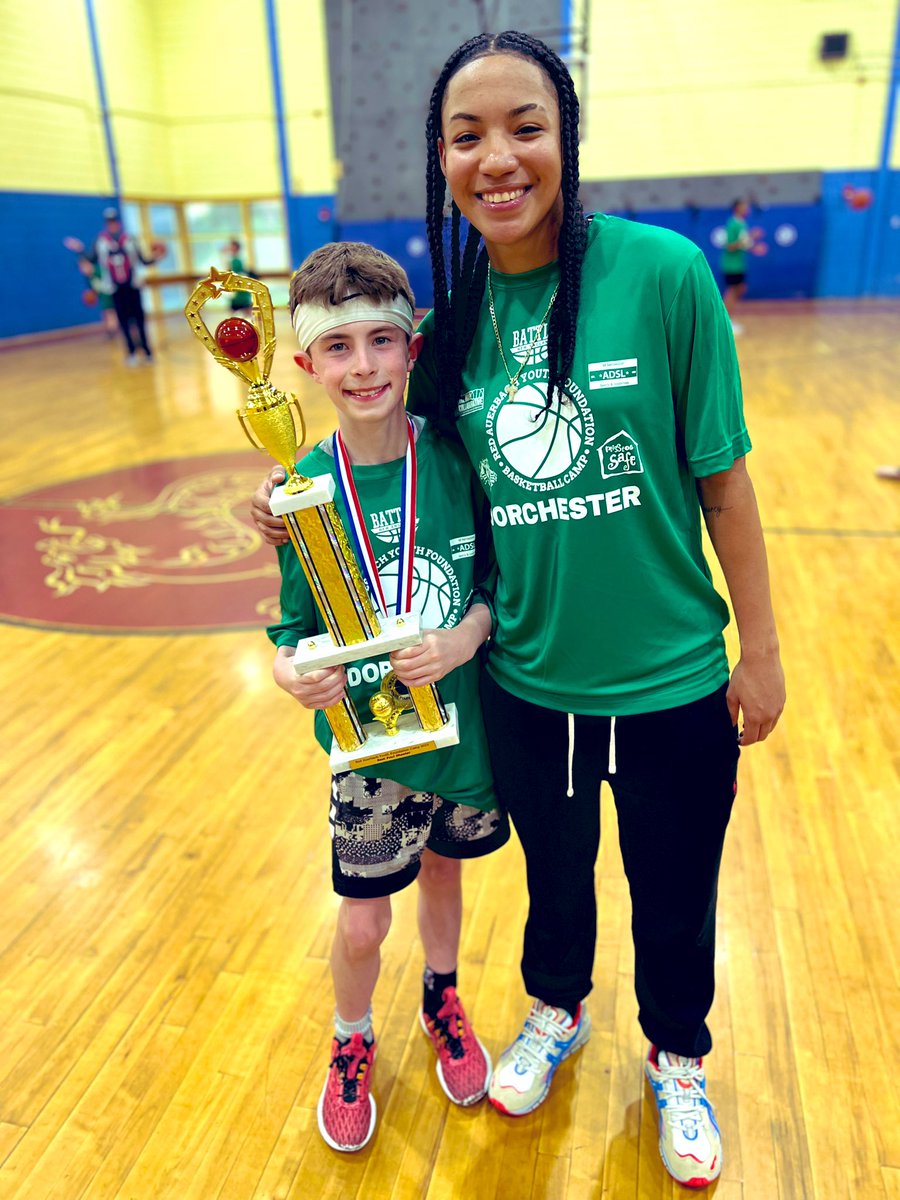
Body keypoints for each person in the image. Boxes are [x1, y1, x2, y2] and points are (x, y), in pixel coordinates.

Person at [253, 32, 785, 1189]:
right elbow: (387, 456)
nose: (497, 157)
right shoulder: (450, 333)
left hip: (674, 676)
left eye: (524, 127)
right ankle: (556, 1010)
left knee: (677, 883)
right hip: (529, 684)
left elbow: (726, 480)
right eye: (466, 135)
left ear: (566, 138)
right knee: (556, 882)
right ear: (441, 159)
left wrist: (764, 649)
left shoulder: (664, 275)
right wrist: (283, 499)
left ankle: (678, 1054)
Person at [266, 241, 509, 1154]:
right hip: (370, 752)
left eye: (381, 342)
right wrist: (292, 676)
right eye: (339, 348)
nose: (362, 366)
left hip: (462, 733)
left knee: (445, 875)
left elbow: (493, 574)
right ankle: (350, 1035)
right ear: (306, 364)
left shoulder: (454, 455)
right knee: (364, 920)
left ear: (413, 348)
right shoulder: (302, 492)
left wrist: (466, 637)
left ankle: (442, 997)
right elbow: (290, 629)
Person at [64, 207, 161, 364]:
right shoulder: (100, 242)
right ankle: (131, 353)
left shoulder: (130, 239)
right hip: (115, 288)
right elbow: (91, 259)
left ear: (119, 223)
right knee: (123, 322)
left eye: (114, 221)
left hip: (133, 286)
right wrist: (80, 249)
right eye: (109, 222)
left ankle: (147, 351)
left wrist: (156, 257)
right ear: (106, 224)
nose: (112, 225)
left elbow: (143, 260)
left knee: (139, 320)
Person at [720, 198, 756, 334]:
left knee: (740, 289)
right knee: (732, 291)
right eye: (744, 206)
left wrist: (755, 246)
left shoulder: (742, 223)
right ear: (737, 208)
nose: (747, 209)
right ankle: (726, 321)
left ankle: (727, 318)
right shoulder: (732, 224)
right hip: (731, 266)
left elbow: (743, 243)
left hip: (739, 265)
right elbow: (730, 246)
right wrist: (750, 237)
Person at [225, 239, 254, 313]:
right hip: (233, 286)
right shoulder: (230, 259)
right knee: (234, 309)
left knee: (246, 308)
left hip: (240, 285)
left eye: (233, 247)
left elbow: (243, 271)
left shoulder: (240, 259)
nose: (231, 249)